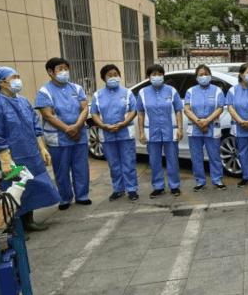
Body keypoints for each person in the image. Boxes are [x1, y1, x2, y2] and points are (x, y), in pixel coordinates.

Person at [0, 67, 60, 232]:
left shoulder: (23, 101)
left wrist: (42, 149)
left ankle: (28, 221)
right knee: (12, 189)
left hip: (31, 153)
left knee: (30, 186)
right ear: (2, 83)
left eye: (18, 76)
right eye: (13, 77)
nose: (17, 80)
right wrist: (6, 161)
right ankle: (14, 227)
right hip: (11, 155)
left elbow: (34, 126)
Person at [36, 57, 90, 210]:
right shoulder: (44, 91)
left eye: (66, 68)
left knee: (81, 167)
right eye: (60, 69)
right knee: (62, 169)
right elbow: (48, 115)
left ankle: (82, 196)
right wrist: (68, 130)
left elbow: (85, 108)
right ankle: (65, 198)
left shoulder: (77, 88)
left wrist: (77, 126)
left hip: (79, 135)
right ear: (50, 72)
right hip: (58, 138)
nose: (64, 72)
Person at [90, 64, 139, 201]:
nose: (113, 78)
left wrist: (123, 123)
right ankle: (118, 189)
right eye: (109, 75)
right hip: (107, 135)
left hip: (125, 133)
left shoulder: (127, 93)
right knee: (114, 164)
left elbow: (133, 110)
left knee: (128, 162)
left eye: (115, 75)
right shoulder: (98, 95)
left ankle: (132, 189)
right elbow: (94, 113)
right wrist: (103, 126)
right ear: (103, 78)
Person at [135, 64, 184, 198]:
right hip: (151, 132)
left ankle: (174, 185)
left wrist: (180, 129)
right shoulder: (142, 93)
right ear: (148, 77)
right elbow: (140, 113)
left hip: (171, 131)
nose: (157, 77)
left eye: (159, 74)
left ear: (163, 75)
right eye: (153, 75)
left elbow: (179, 110)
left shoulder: (171, 91)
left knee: (172, 160)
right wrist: (140, 132)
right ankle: (158, 186)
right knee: (154, 161)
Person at [184, 65, 226, 192]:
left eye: (206, 74)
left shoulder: (217, 91)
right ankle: (200, 182)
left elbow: (220, 108)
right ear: (196, 77)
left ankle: (217, 180)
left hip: (212, 128)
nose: (204, 77)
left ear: (210, 76)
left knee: (214, 156)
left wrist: (207, 121)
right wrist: (198, 122)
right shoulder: (190, 92)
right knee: (196, 157)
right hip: (195, 128)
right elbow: (187, 109)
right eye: (201, 75)